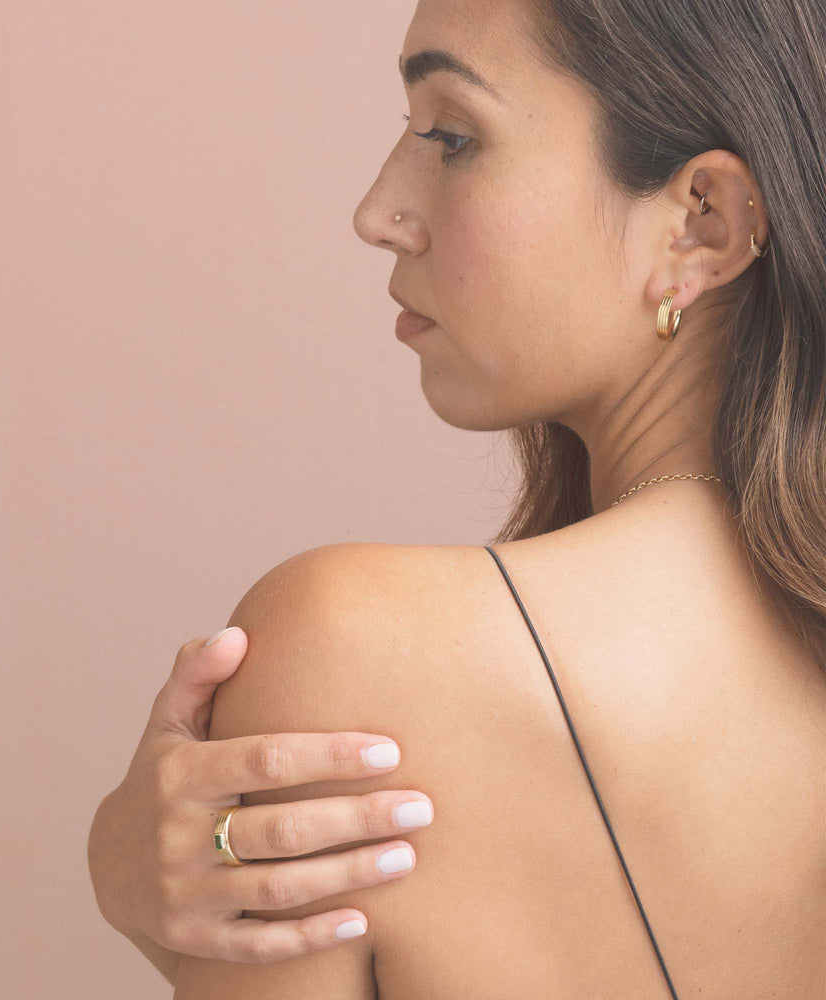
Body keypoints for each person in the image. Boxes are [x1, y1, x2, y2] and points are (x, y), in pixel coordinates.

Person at [87, 0, 826, 996]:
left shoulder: (348, 652)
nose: (379, 210)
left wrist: (142, 894)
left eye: (451, 136)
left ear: (703, 221)